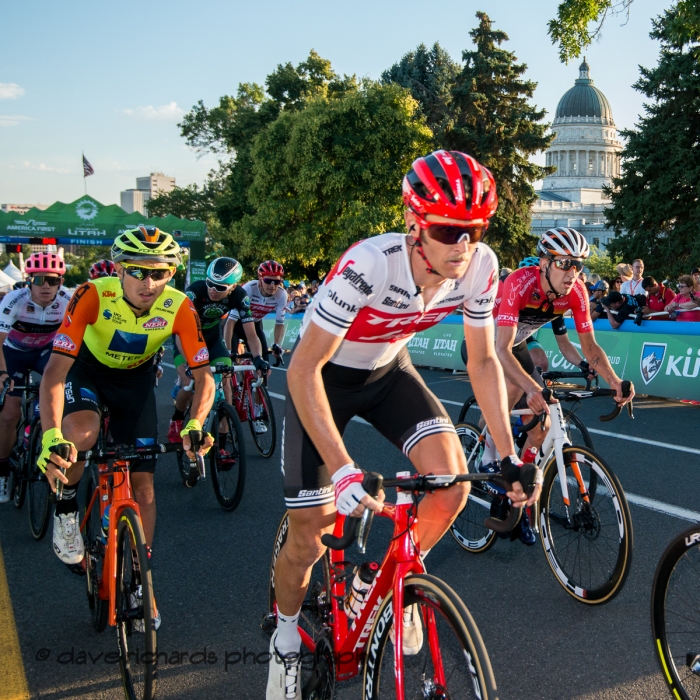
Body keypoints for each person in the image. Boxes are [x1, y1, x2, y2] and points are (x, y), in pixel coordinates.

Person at [266, 150, 543, 699]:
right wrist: (344, 468)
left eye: (473, 230)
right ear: (416, 227)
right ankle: (285, 636)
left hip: (390, 373)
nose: (462, 245)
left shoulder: (482, 266)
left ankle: (386, 585)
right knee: (311, 535)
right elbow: (303, 367)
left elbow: (483, 360)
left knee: (449, 488)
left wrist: (509, 456)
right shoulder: (371, 263)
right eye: (447, 230)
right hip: (325, 380)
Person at [37, 226, 215, 623]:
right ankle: (66, 512)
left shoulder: (179, 305)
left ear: (172, 274)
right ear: (118, 269)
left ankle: (141, 578)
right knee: (80, 436)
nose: (148, 283)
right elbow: (53, 375)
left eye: (160, 272)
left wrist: (195, 424)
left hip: (134, 384)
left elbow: (204, 376)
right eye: (137, 271)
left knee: (145, 487)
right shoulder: (93, 295)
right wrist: (51, 436)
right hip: (87, 373)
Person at [491, 227, 633, 537]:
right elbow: (499, 349)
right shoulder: (519, 282)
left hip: (517, 344)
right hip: (488, 344)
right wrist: (530, 387)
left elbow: (590, 347)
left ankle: (518, 498)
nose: (573, 272)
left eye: (578, 264)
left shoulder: (576, 291)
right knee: (518, 388)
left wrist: (615, 380)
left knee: (541, 423)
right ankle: (492, 455)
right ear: (543, 263)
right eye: (564, 263)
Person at [167, 257, 268, 441]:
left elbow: (251, 334)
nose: (213, 290)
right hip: (186, 338)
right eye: (210, 284)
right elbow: (181, 332)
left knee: (226, 382)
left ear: (233, 286)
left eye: (220, 287)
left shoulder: (240, 296)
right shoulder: (194, 293)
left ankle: (223, 435)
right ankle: (177, 417)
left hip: (213, 339)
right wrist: (190, 362)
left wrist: (258, 358)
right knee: (189, 385)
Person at [0, 253, 71, 503]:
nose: (45, 286)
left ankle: (39, 427)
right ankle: (3, 468)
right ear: (29, 281)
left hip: (45, 352)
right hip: (13, 353)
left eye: (52, 281)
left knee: (58, 390)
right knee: (9, 414)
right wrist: (3, 374)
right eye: (39, 279)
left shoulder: (67, 301)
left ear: (60, 282)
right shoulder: (13, 300)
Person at [226, 260, 287, 371]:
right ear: (260, 279)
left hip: (255, 324)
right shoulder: (249, 289)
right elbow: (230, 321)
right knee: (229, 365)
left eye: (277, 282)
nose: (272, 286)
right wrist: (229, 351)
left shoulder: (282, 295)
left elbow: (279, 323)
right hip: (236, 324)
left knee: (264, 366)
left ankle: (260, 387)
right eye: (268, 281)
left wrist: (276, 345)